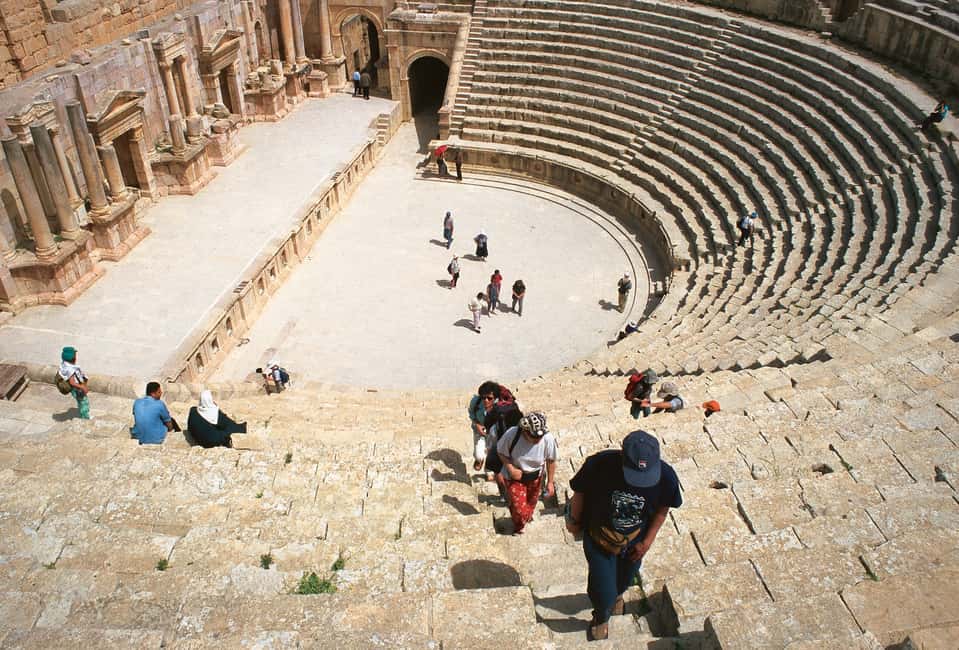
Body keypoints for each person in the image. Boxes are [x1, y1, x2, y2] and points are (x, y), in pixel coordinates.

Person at [566, 430, 682, 641]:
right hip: (599, 538)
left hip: (634, 542)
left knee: (625, 579)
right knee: (603, 588)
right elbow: (579, 491)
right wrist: (574, 521)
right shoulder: (599, 464)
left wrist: (647, 543)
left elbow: (662, 510)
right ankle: (601, 617)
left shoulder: (666, 477)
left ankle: (617, 597)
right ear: (622, 456)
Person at [497, 412, 557, 535]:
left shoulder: (547, 438)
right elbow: (501, 452)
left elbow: (551, 460)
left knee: (531, 503)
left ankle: (524, 518)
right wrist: (511, 468)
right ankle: (519, 526)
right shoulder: (512, 434)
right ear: (525, 431)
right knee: (520, 509)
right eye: (534, 437)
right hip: (515, 478)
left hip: (535, 477)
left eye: (540, 436)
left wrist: (550, 482)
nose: (538, 439)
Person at [483, 385, 523, 483]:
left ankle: (501, 489)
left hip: (498, 437)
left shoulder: (495, 408)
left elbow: (488, 423)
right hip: (516, 439)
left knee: (497, 467)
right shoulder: (513, 404)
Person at [468, 380, 498, 471]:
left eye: (489, 398)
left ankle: (489, 471)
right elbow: (471, 414)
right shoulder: (475, 402)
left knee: (492, 453)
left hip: (494, 432)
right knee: (479, 455)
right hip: (479, 430)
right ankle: (479, 459)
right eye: (483, 398)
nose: (486, 400)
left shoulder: (500, 406)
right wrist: (477, 424)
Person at [58, 346, 90, 420]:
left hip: (76, 388)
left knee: (80, 401)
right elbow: (72, 382)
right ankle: (85, 417)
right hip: (77, 389)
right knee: (84, 402)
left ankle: (83, 413)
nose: (76, 357)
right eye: (75, 355)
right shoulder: (70, 369)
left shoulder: (64, 364)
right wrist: (82, 387)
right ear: (72, 358)